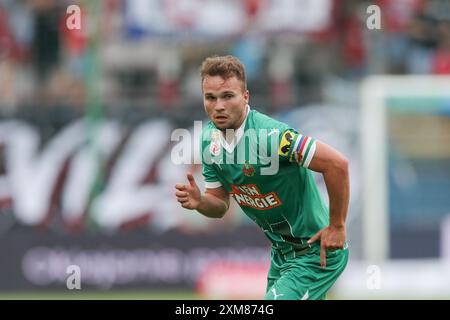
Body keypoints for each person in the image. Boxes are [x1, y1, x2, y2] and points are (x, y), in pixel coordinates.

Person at [175, 55, 349, 300]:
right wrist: (200, 202)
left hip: (314, 252)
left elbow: (336, 164)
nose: (218, 106)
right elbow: (219, 204)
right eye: (210, 98)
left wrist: (337, 226)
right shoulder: (208, 141)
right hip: (281, 255)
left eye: (227, 96)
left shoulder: (271, 136)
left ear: (245, 97)